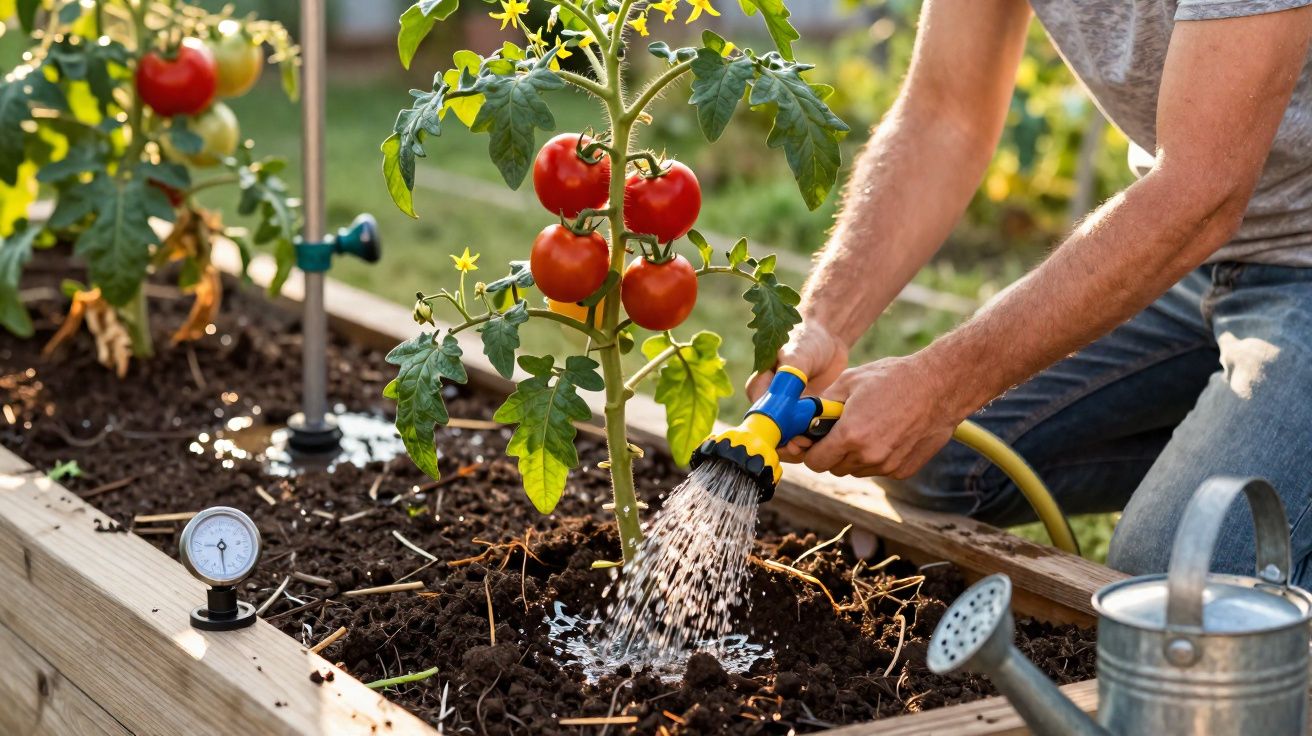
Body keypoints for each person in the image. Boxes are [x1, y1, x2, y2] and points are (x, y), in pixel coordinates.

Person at [748, 0, 1312, 584]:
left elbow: (1202, 193)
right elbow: (945, 113)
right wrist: (822, 322)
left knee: (1182, 577)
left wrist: (942, 386)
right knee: (937, 466)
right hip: (1191, 262)